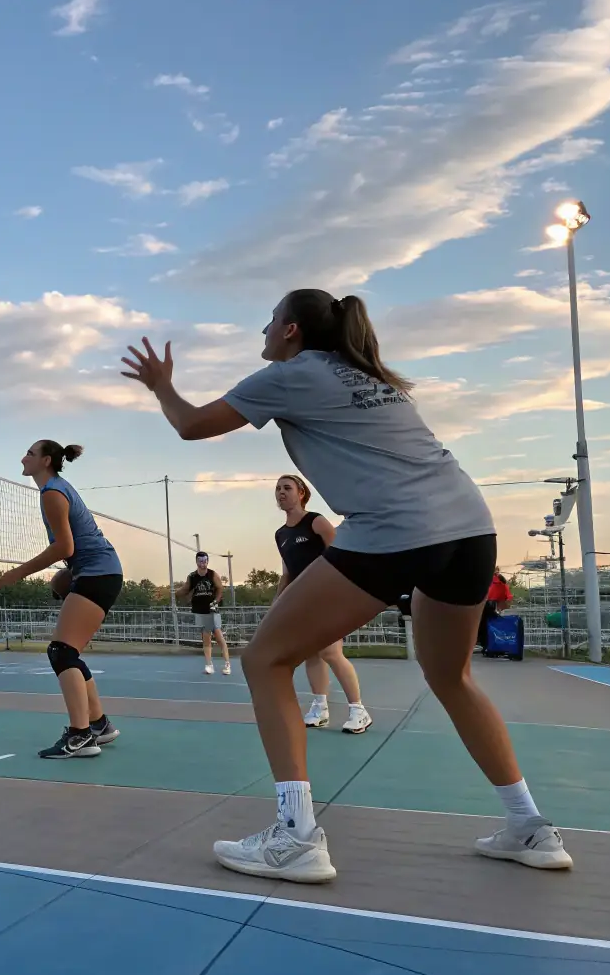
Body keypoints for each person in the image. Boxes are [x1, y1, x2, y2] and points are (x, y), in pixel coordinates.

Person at [121, 290, 572, 883]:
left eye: (267, 318)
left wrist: (160, 386)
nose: (262, 328)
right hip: (469, 529)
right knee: (452, 677)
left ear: (289, 330)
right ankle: (530, 826)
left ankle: (296, 837)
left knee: (264, 660)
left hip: (394, 530)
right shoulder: (371, 377)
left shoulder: (293, 374)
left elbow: (191, 425)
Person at [0, 441, 123, 759]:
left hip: (98, 573)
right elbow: (73, 550)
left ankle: (80, 736)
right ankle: (99, 725)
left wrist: (19, 572)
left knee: (60, 651)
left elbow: (65, 547)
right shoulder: (55, 489)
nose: (23, 457)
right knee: (69, 653)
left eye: (29, 453)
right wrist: (64, 579)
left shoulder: (52, 492)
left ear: (46, 461)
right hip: (98, 572)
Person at [273, 474, 371, 734]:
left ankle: (359, 710)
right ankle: (320, 708)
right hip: (302, 601)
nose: (281, 492)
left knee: (330, 652)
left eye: (287, 488)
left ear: (301, 493)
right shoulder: (281, 534)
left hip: (328, 596)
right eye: (278, 489)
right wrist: (278, 604)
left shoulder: (315, 521)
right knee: (311, 654)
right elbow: (287, 573)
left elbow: (342, 554)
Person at [181, 552, 230, 675]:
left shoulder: (212, 574)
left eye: (205, 561)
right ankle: (209, 664)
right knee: (206, 638)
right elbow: (186, 589)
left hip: (212, 610)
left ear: (207, 561)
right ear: (197, 562)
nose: (203, 563)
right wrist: (178, 593)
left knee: (218, 636)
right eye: (200, 561)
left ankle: (227, 664)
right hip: (200, 610)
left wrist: (216, 601)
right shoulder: (192, 577)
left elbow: (220, 588)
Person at [478, 569, 513, 651]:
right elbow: (508, 597)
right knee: (491, 625)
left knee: (483, 626)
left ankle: (485, 645)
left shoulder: (488, 581)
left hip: (484, 605)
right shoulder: (500, 582)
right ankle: (487, 645)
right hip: (490, 606)